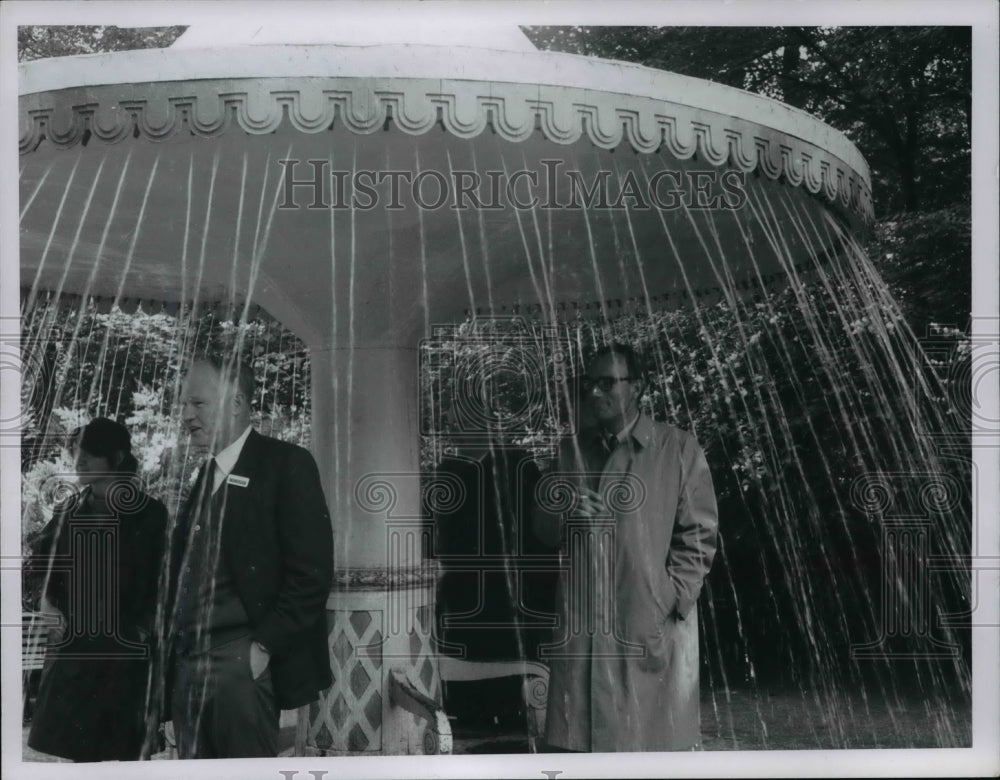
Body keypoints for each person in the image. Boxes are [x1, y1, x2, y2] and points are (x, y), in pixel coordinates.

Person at [533, 343, 718, 752]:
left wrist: (669, 597)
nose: (595, 393)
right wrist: (564, 509)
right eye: (589, 384)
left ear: (637, 388)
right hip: (583, 627)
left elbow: (699, 536)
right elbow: (542, 531)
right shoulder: (571, 452)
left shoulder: (679, 449)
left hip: (647, 623)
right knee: (580, 749)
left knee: (649, 747)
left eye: (606, 383)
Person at [164, 355, 333, 759]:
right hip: (190, 667)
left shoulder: (286, 464)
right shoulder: (206, 475)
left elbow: (312, 573)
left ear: (236, 403)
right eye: (184, 404)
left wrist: (262, 649)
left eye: (198, 404)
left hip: (242, 666)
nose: (186, 415)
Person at [28, 418, 168, 762]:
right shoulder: (68, 510)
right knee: (81, 760)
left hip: (127, 661)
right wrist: (45, 603)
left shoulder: (150, 515)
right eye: (77, 452)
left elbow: (164, 584)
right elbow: (37, 567)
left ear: (117, 458)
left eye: (92, 453)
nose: (80, 461)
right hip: (75, 658)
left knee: (129, 760)